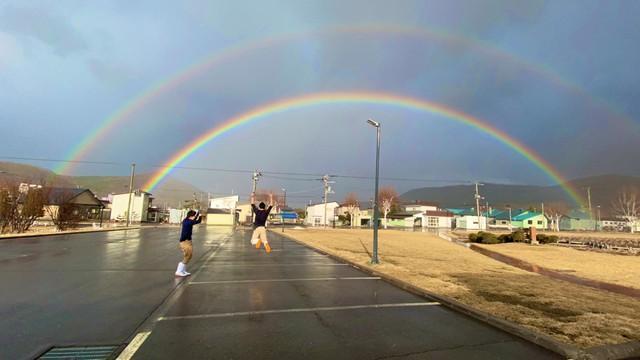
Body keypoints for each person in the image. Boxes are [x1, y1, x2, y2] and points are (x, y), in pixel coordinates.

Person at [175, 210, 204, 277]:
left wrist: (199, 216)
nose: (194, 217)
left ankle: (183, 270)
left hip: (188, 241)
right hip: (185, 241)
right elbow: (194, 221)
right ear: (191, 216)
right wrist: (197, 215)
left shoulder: (189, 221)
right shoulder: (187, 222)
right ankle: (179, 271)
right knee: (187, 256)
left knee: (189, 256)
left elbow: (198, 221)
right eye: (194, 216)